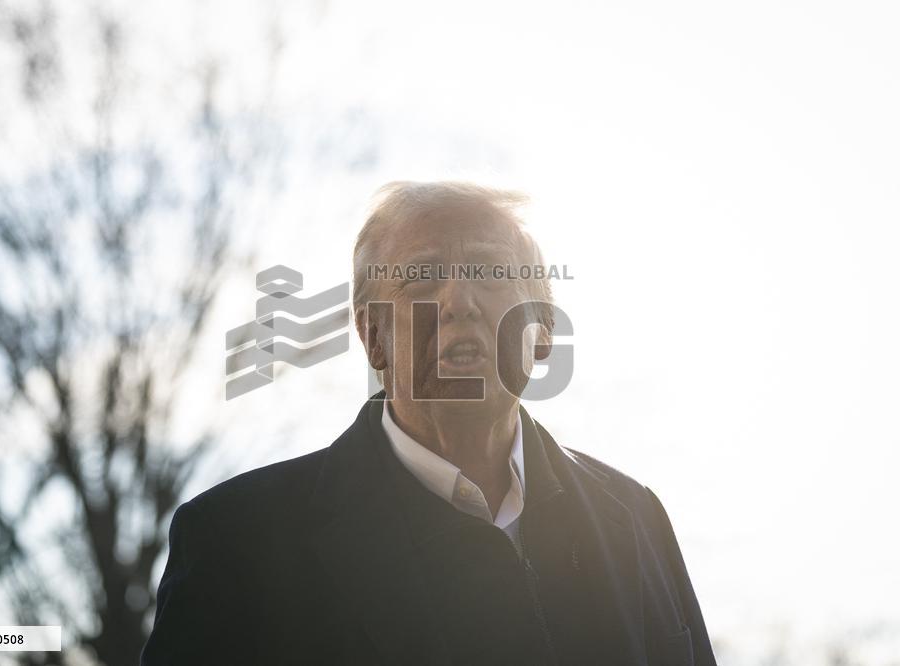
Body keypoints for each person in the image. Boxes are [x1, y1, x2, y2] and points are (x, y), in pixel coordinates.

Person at [141, 181, 717, 665]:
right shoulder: (234, 542)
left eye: (490, 274)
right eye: (420, 278)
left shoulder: (637, 518)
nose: (458, 302)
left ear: (543, 328)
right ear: (372, 337)